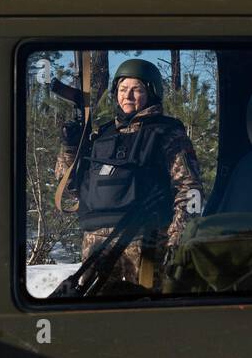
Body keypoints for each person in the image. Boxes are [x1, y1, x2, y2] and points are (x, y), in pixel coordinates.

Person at [54, 58, 203, 293]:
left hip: (146, 240)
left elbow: (190, 189)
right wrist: (70, 147)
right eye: (123, 89)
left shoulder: (167, 133)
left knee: (143, 312)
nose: (128, 96)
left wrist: (177, 240)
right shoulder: (102, 134)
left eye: (137, 89)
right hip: (95, 244)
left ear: (152, 92)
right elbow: (72, 186)